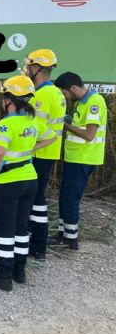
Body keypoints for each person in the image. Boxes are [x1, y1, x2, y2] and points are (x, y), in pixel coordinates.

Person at [0, 49, 66, 261]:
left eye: (29, 66)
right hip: (41, 155)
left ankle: (2, 248)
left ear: (37, 67)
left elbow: (25, 129)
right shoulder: (56, 92)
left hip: (29, 158)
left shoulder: (41, 95)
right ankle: (34, 248)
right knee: (35, 204)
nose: (27, 70)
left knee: (10, 207)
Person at [0, 76, 55, 291]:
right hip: (29, 179)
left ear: (9, 99)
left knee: (4, 228)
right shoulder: (33, 121)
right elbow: (51, 137)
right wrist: (30, 150)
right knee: (21, 227)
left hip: (7, 181)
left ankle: (3, 275)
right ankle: (19, 271)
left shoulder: (7, 123)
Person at [49, 72, 107, 250]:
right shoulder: (82, 102)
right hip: (75, 157)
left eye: (65, 94)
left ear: (73, 88)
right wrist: (67, 119)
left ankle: (70, 239)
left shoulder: (94, 103)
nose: (66, 97)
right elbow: (79, 123)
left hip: (83, 158)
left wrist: (64, 125)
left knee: (71, 198)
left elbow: (89, 135)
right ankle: (62, 233)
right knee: (65, 196)